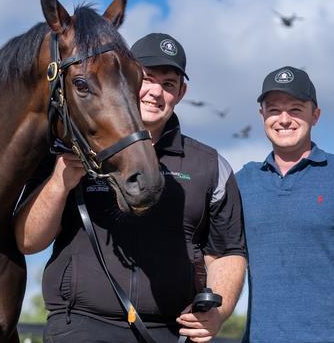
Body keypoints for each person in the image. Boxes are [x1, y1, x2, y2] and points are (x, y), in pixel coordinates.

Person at [13, 32, 247, 343]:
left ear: (181, 93)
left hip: (170, 331)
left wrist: (218, 311)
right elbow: (28, 241)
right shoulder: (68, 152)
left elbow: (228, 251)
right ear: (126, 78)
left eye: (168, 84)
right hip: (80, 326)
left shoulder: (210, 166)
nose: (155, 92)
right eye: (148, 79)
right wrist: (59, 183)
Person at [235, 66, 334, 342]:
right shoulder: (241, 182)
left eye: (295, 109)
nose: (284, 119)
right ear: (262, 116)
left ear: (315, 115)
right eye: (274, 110)